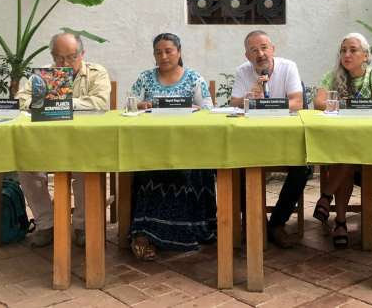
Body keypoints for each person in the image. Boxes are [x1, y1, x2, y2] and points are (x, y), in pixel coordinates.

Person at [17, 32, 111, 247]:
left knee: (86, 167)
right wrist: (51, 102)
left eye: (71, 57)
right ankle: (46, 224)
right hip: (47, 142)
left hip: (84, 143)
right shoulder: (43, 75)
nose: (66, 63)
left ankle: (82, 225)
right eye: (59, 58)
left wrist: (61, 102)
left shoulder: (97, 73)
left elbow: (100, 103)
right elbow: (21, 99)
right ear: (52, 56)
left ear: (82, 53)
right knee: (26, 166)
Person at [129, 33, 216, 260]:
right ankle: (144, 233)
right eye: (159, 52)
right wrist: (141, 104)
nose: (164, 56)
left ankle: (188, 230)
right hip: (151, 147)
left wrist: (197, 109)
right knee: (151, 171)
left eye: (169, 51)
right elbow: (128, 106)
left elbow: (208, 108)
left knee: (190, 171)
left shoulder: (194, 78)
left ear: (179, 52)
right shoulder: (145, 78)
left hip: (190, 147)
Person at [312, 33, 372, 248]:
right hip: (341, 142)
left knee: (346, 154)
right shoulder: (333, 76)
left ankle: (328, 201)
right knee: (345, 153)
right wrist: (353, 107)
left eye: (353, 50)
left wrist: (343, 106)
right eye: (343, 50)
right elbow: (318, 102)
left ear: (365, 55)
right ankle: (339, 221)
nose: (347, 54)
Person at [230, 30, 306, 248]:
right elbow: (233, 103)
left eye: (264, 48)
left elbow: (297, 102)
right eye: (254, 50)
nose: (260, 53)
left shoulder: (288, 66)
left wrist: (265, 106)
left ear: (273, 49)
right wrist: (248, 98)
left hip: (285, 137)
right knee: (238, 165)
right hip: (252, 139)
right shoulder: (243, 71)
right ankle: (255, 222)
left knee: (303, 168)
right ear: (247, 56)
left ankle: (277, 223)